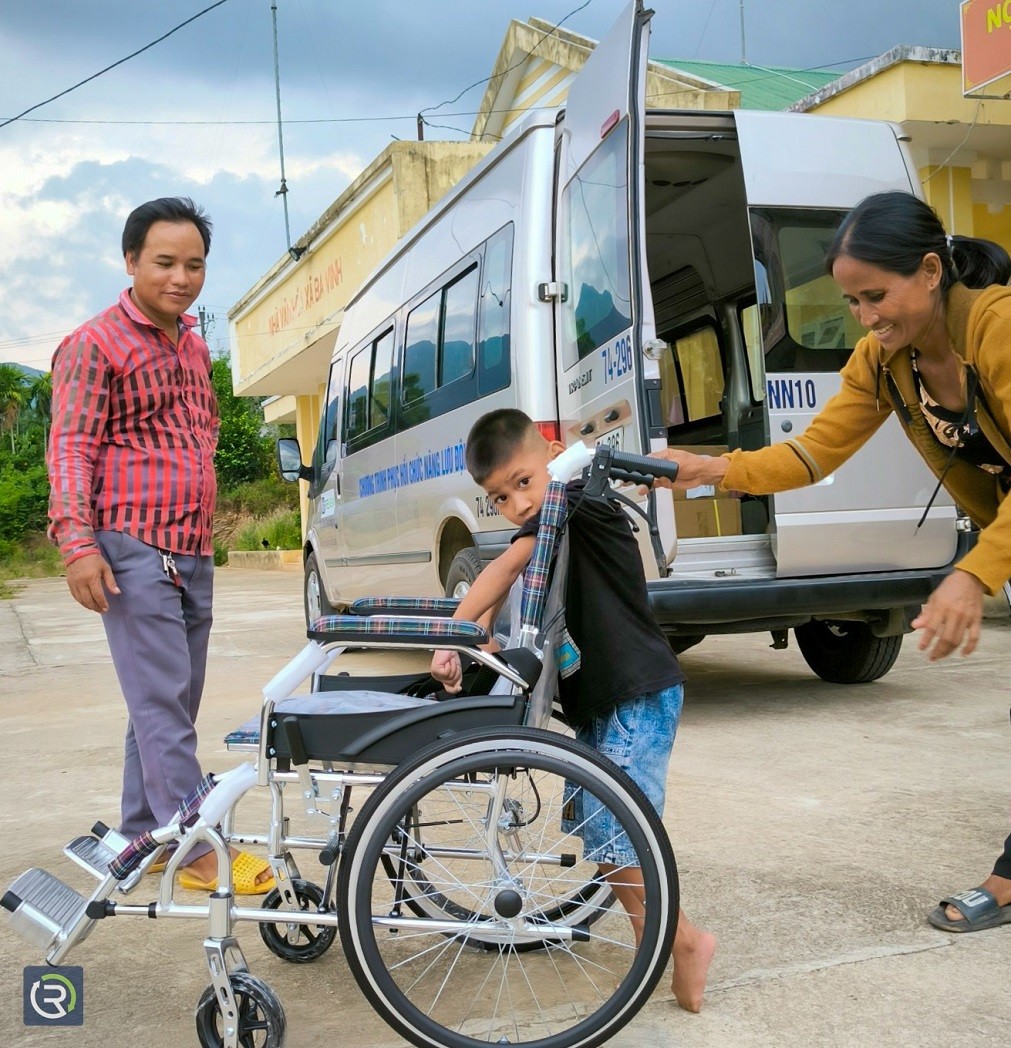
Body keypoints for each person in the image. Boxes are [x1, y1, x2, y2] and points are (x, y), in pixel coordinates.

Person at [650, 190, 1011, 935]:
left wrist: (972, 573)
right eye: (850, 302)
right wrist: (714, 471)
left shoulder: (999, 327)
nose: (866, 317)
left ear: (931, 270)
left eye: (876, 296)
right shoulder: (884, 362)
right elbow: (811, 454)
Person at [430, 408, 717, 1011]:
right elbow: (509, 577)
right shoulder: (549, 515)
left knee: (620, 835)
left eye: (524, 482)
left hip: (636, 694)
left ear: (554, 455)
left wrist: (454, 630)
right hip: (602, 700)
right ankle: (662, 941)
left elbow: (507, 567)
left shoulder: (582, 498)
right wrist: (478, 631)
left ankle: (682, 942)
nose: (516, 503)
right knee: (602, 835)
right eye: (499, 497)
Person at [47, 197, 273, 895]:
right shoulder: (96, 343)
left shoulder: (193, 343)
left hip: (190, 548)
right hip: (130, 545)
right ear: (131, 262)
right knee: (162, 703)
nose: (181, 277)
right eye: (165, 262)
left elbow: (196, 434)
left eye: (194, 264)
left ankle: (144, 831)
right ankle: (197, 846)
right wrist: (77, 542)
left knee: (164, 702)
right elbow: (71, 447)